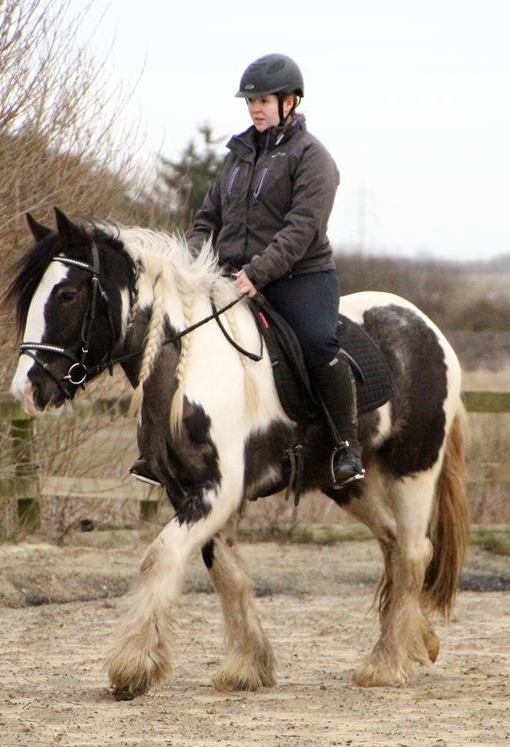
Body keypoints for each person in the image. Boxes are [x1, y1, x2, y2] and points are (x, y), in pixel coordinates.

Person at [131, 53, 364, 488]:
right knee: (175, 338)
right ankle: (159, 449)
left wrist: (259, 272)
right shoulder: (236, 157)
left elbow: (302, 229)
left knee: (316, 341)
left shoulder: (313, 158)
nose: (255, 107)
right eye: (251, 101)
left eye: (264, 100)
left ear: (290, 101)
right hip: (232, 274)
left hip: (299, 276)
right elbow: (207, 220)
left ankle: (345, 445)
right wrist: (189, 265)